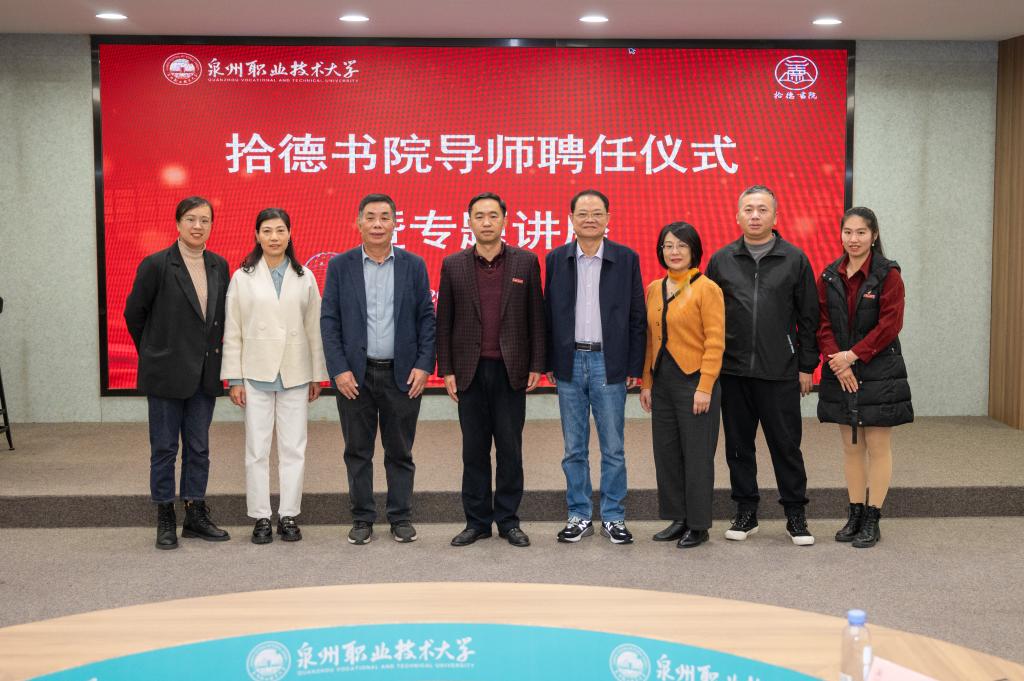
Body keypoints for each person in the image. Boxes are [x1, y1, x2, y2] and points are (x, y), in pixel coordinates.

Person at [705, 185, 819, 546]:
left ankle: (796, 515)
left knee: (786, 447)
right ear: (737, 216)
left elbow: (809, 317)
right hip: (733, 371)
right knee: (738, 447)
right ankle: (746, 512)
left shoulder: (795, 259)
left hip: (779, 371)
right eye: (749, 209)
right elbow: (708, 317)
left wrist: (807, 366)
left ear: (775, 216)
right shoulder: (721, 260)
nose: (755, 216)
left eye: (762, 209)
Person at [320, 193, 435, 545]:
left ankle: (400, 517)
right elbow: (329, 321)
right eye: (370, 217)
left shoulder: (414, 265)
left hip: (403, 375)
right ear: (358, 222)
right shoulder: (341, 266)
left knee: (400, 451)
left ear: (395, 223)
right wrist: (339, 370)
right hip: (355, 376)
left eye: (385, 217)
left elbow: (426, 318)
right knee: (358, 451)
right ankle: (362, 518)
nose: (377, 224)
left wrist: (424, 365)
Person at [436, 192, 545, 548]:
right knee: (474, 451)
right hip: (469, 371)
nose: (486, 222)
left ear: (504, 220)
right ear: (469, 221)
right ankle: (477, 522)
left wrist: (537, 364)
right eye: (479, 216)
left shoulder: (525, 262)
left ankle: (509, 521)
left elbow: (536, 317)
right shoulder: (453, 264)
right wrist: (446, 369)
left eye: (493, 216)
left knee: (510, 450)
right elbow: (444, 321)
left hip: (511, 371)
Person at [124, 196, 231, 550]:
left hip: (204, 375)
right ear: (178, 223)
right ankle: (165, 516)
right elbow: (134, 314)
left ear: (211, 225)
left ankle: (195, 514)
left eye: (205, 220)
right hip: (166, 374)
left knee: (199, 448)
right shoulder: (156, 264)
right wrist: (154, 352)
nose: (198, 226)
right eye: (191, 219)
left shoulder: (219, 265)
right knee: (165, 449)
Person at [545, 189, 646, 544]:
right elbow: (547, 314)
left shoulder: (626, 258)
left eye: (597, 213)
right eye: (583, 213)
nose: (590, 219)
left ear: (608, 218)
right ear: (571, 219)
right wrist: (549, 360)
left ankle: (614, 517)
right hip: (569, 362)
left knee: (613, 447)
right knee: (574, 447)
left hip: (609, 361)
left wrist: (634, 364)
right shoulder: (556, 259)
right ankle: (579, 514)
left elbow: (637, 316)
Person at [221, 208, 328, 545]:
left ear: (290, 234)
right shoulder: (243, 277)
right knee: (257, 449)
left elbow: (314, 328)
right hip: (256, 372)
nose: (274, 237)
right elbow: (233, 328)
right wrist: (234, 379)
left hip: (295, 371)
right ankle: (261, 517)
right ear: (257, 235)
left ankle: (289, 514)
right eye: (267, 231)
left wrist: (317, 375)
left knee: (293, 447)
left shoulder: (304, 276)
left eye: (280, 230)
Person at [817, 207, 912, 548]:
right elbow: (822, 324)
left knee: (877, 445)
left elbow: (890, 324)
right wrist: (838, 362)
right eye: (848, 232)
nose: (853, 239)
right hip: (841, 370)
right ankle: (854, 514)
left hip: (879, 370)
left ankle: (873, 517)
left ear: (874, 236)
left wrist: (853, 355)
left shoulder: (888, 274)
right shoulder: (829, 275)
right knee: (851, 447)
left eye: (861, 232)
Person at [639, 222, 725, 549]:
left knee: (697, 456)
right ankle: (678, 518)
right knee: (667, 454)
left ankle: (699, 525)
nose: (674, 252)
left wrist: (705, 386)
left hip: (695, 382)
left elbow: (715, 342)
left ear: (694, 251)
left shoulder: (707, 288)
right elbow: (650, 340)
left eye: (681, 246)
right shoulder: (654, 288)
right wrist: (647, 383)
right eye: (668, 246)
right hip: (662, 382)